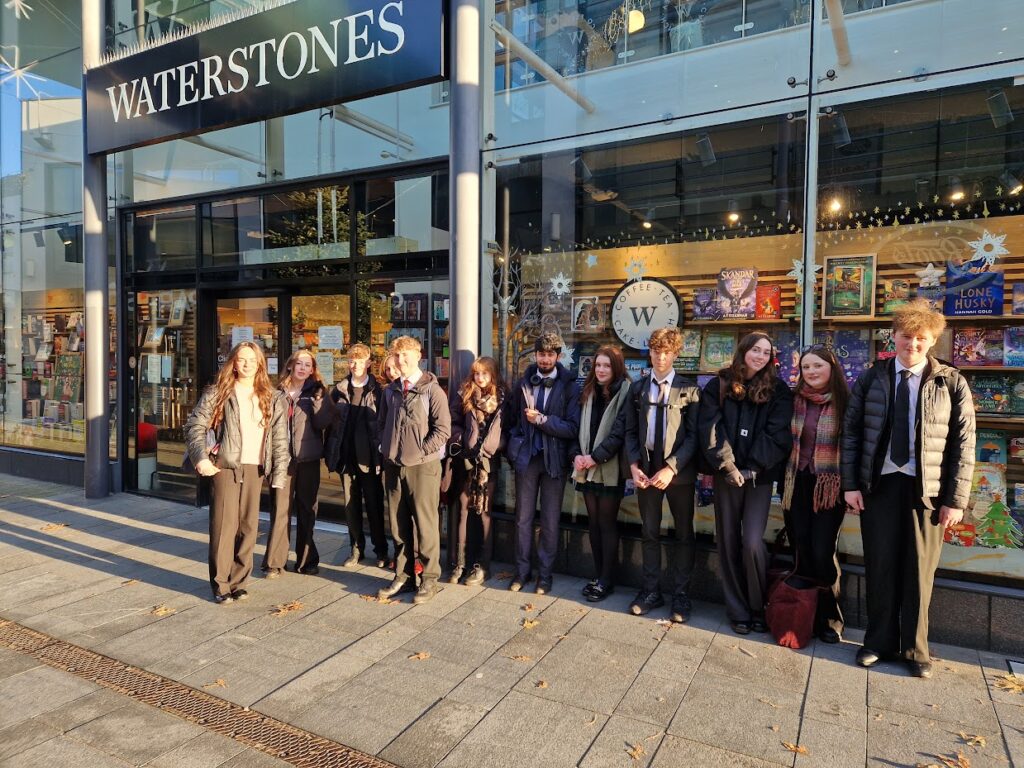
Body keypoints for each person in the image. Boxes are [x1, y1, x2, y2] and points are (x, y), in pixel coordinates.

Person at [842, 300, 975, 678]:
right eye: (906, 337)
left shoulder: (951, 383)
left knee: (920, 571)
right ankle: (877, 642)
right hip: (879, 486)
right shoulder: (872, 377)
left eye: (921, 339)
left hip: (927, 492)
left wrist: (955, 500)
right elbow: (851, 433)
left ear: (932, 341)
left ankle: (916, 650)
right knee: (880, 565)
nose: (912, 345)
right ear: (894, 336)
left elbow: (965, 444)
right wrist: (851, 485)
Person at [699, 332, 793, 635]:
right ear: (744, 351)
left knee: (752, 542)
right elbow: (712, 428)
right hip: (727, 474)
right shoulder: (721, 384)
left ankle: (757, 606)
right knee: (727, 541)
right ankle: (737, 609)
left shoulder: (779, 391)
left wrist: (751, 468)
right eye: (755, 350)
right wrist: (728, 466)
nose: (760, 356)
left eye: (766, 352)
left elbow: (778, 434)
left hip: (759, 477)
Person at [185, 341, 289, 603]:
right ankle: (220, 585)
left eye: (252, 360)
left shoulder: (272, 396)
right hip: (225, 467)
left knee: (248, 527)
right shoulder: (218, 392)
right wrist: (201, 458)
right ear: (232, 362)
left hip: (255, 468)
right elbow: (195, 425)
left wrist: (278, 474)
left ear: (260, 364)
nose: (247, 364)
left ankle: (239, 581)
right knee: (224, 527)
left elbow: (279, 439)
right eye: (242, 359)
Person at [614, 328, 701, 620]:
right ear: (649, 352)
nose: (661, 357)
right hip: (646, 472)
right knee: (649, 531)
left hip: (678, 474)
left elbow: (693, 438)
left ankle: (681, 595)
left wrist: (672, 467)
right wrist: (634, 466)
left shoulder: (689, 390)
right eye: (656, 351)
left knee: (683, 534)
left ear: (676, 354)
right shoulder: (637, 389)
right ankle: (651, 591)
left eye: (667, 352)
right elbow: (628, 431)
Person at [779, 345, 850, 644]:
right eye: (806, 367)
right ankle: (804, 613)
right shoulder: (794, 400)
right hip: (797, 481)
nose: (811, 372)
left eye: (817, 366)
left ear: (831, 367)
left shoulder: (846, 402)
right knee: (801, 546)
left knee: (823, 551)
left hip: (829, 486)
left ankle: (831, 618)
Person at [376, 336, 451, 603]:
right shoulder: (390, 391)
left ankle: (429, 580)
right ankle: (404, 575)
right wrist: (384, 449)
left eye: (405, 355)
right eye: (397, 356)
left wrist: (421, 451)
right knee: (398, 526)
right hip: (393, 466)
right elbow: (381, 424)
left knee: (426, 525)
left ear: (418, 355)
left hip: (423, 468)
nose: (400, 360)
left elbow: (443, 430)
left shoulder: (433, 390)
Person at [505, 333, 581, 594]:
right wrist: (514, 450)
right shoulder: (523, 382)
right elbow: (512, 420)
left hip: (554, 461)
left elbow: (573, 427)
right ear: (535, 355)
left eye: (550, 354)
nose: (545, 358)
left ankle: (545, 576)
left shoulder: (571, 385)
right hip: (527, 459)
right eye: (541, 354)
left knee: (549, 520)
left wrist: (542, 421)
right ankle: (521, 572)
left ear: (558, 356)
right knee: (522, 519)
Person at [262, 350, 333, 577]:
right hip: (282, 460)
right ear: (290, 365)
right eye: (299, 363)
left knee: (306, 509)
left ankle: (307, 560)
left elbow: (323, 424)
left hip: (308, 458)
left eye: (307, 365)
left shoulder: (317, 393)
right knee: (280, 509)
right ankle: (275, 562)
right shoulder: (276, 393)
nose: (302, 368)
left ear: (312, 370)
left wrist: (319, 401)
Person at [570, 344, 631, 603]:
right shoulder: (588, 390)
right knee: (593, 522)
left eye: (607, 365)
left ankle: (607, 579)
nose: (602, 370)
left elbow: (619, 432)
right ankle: (598, 575)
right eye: (598, 365)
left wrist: (594, 458)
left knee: (606, 523)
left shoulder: (627, 391)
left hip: (609, 468)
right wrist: (577, 455)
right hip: (586, 467)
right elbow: (577, 427)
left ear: (616, 367)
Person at [325, 343, 390, 569]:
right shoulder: (340, 389)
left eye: (360, 361)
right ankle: (356, 549)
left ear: (369, 363)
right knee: (350, 507)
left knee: (374, 506)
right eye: (352, 360)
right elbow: (332, 423)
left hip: (370, 459)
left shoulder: (378, 390)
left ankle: (381, 550)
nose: (355, 365)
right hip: (346, 458)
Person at [446, 357, 506, 586]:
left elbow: (509, 428)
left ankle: (482, 566)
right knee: (463, 509)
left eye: (484, 374)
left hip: (489, 462)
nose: (480, 378)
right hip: (466, 460)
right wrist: (462, 438)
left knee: (484, 513)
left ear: (492, 375)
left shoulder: (502, 398)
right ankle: (459, 564)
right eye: (476, 374)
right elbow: (451, 420)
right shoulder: (465, 394)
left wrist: (497, 445)